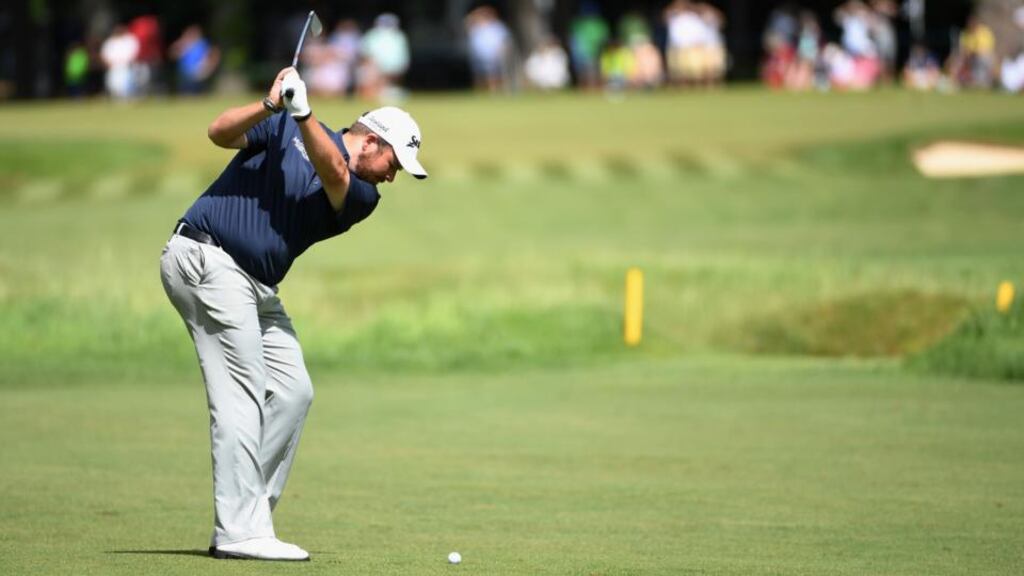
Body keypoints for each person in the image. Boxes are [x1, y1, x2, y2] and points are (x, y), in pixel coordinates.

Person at [159, 67, 428, 561]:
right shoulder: (283, 124)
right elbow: (219, 132)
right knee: (241, 396)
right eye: (395, 161)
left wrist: (301, 111)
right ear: (370, 140)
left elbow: (333, 172)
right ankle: (240, 532)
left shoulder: (362, 195)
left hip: (256, 286)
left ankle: (250, 516)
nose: (394, 175)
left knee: (292, 390)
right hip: (207, 259)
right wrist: (271, 105)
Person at [170, 25, 220, 95]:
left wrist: (209, 67)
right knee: (185, 94)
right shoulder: (184, 44)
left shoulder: (202, 44)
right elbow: (172, 54)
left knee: (197, 94)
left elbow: (214, 54)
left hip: (198, 73)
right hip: (185, 75)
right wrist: (181, 43)